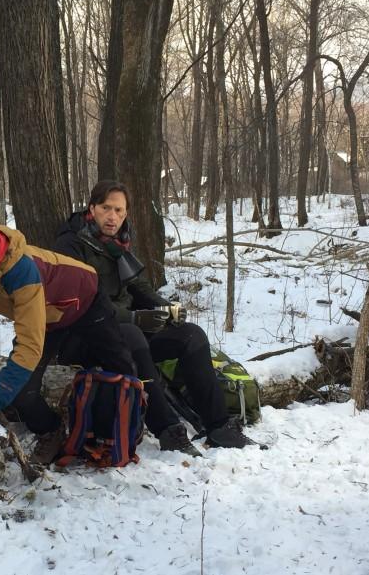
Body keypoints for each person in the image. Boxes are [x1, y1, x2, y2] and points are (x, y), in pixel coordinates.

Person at [0, 197, 189, 463]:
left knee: (123, 368)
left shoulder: (20, 271)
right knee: (23, 393)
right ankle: (52, 431)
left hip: (84, 299)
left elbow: (29, 345)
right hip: (45, 318)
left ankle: (162, 426)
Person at [54, 180, 254, 449]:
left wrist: (165, 308)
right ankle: (169, 431)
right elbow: (85, 302)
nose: (113, 217)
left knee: (191, 336)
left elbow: (138, 286)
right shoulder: (71, 243)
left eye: (120, 211)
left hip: (123, 330)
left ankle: (218, 425)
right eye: (106, 208)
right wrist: (134, 318)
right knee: (134, 335)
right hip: (82, 337)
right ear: (92, 207)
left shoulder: (119, 242)